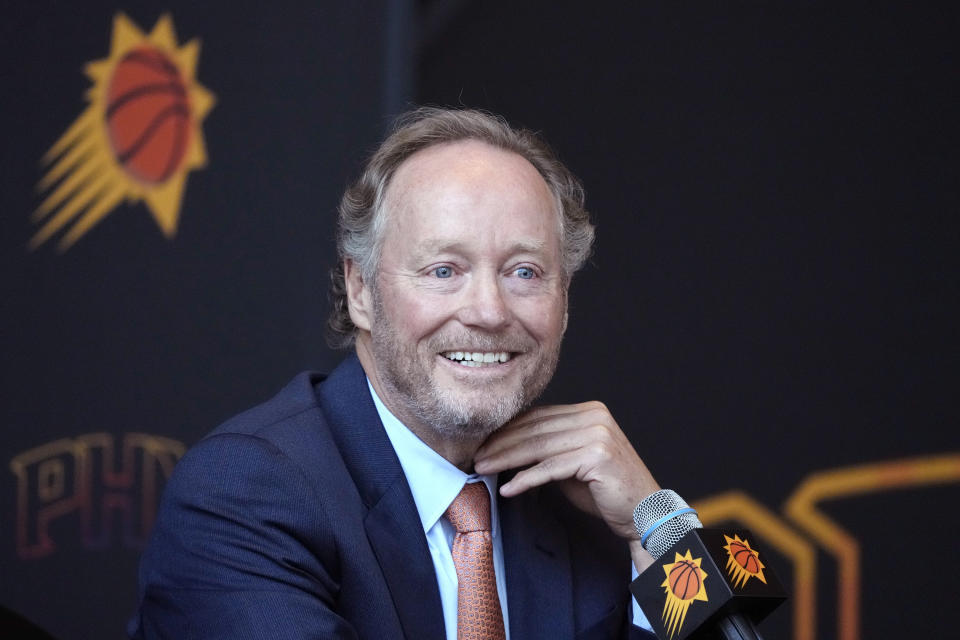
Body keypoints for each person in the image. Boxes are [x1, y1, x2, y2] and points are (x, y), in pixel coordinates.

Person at [129, 108, 665, 639]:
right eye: (443, 270)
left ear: (565, 302)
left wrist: (658, 522)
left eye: (524, 272)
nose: (489, 311)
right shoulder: (244, 492)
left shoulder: (588, 507)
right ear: (361, 290)